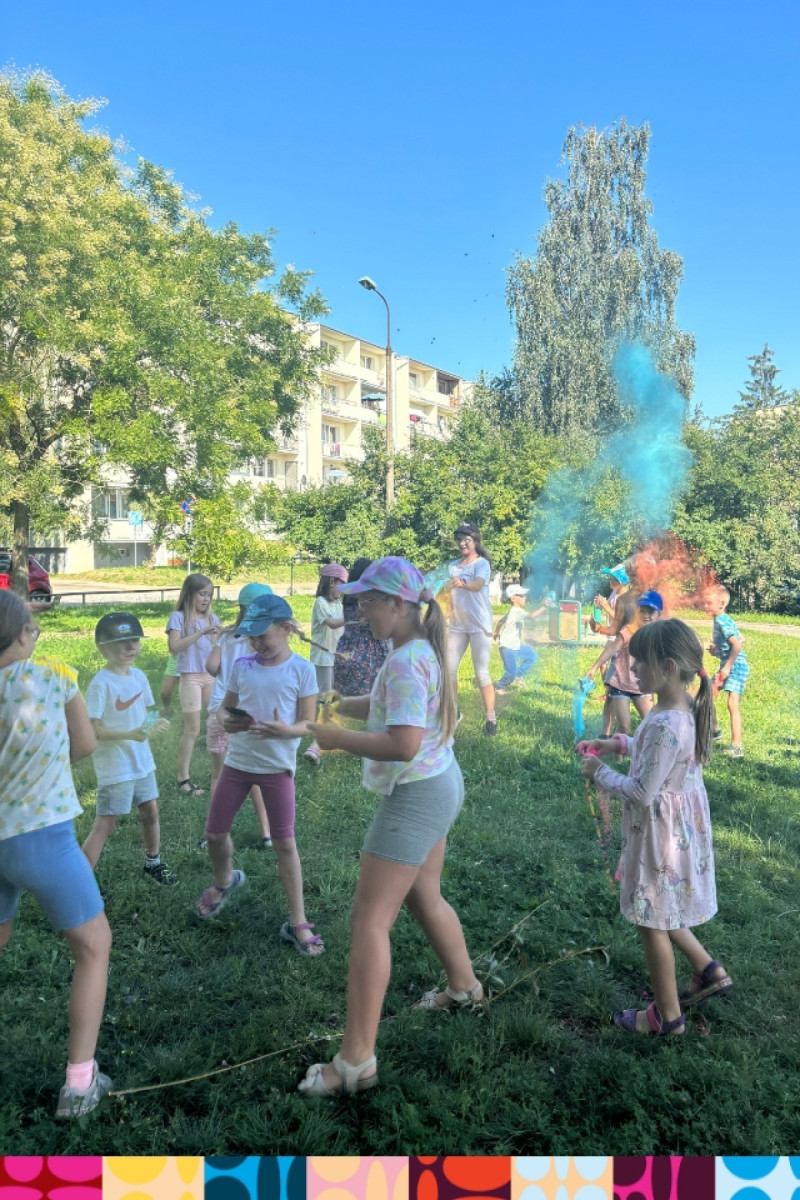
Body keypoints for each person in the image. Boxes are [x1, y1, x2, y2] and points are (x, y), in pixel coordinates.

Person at [298, 557, 481, 1097]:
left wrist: (334, 739)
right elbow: (390, 709)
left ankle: (354, 1064)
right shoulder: (419, 650)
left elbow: (402, 742)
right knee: (424, 895)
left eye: (368, 602)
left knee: (368, 922)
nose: (360, 612)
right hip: (440, 781)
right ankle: (465, 988)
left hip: (416, 794)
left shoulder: (405, 660)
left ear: (397, 604)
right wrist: (340, 704)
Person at [579, 618, 731, 1035]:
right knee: (663, 908)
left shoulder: (666, 722)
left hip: (658, 836)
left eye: (639, 662)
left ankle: (666, 1017)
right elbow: (658, 753)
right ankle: (707, 970)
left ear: (667, 667)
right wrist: (618, 743)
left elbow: (643, 791)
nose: (632, 669)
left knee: (651, 919)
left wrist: (599, 772)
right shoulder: (679, 710)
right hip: (674, 833)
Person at [0, 590, 113, 1117]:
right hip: (43, 836)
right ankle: (79, 1084)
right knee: (93, 945)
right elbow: (85, 745)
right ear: (25, 633)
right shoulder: (55, 677)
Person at [196, 593, 323, 957]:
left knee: (285, 843)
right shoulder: (242, 666)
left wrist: (286, 731)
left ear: (286, 628)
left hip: (277, 768)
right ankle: (225, 880)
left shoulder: (302, 670)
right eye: (251, 637)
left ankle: (298, 922)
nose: (256, 644)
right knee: (214, 834)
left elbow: (308, 723)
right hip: (238, 764)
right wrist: (228, 722)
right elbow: (224, 710)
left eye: (262, 636)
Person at [81, 613, 176, 884]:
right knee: (106, 824)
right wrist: (131, 734)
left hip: (141, 762)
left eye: (135, 641)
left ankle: (153, 863)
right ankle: (80, 882)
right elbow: (94, 730)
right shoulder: (101, 683)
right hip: (116, 767)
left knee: (150, 811)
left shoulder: (139, 676)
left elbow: (148, 712)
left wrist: (153, 725)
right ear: (103, 649)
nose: (131, 647)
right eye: (122, 642)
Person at [203, 582, 274, 851]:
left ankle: (214, 831)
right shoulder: (263, 640)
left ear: (241, 608)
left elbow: (211, 667)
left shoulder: (226, 636)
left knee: (218, 775)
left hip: (219, 710)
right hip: (248, 712)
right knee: (253, 775)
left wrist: (217, 646)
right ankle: (267, 833)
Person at [165, 573, 221, 794]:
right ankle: (183, 779)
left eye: (209, 595)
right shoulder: (178, 618)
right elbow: (174, 647)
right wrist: (201, 632)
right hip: (190, 677)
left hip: (211, 677)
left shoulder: (213, 618)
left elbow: (219, 648)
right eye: (202, 594)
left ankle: (223, 773)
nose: (206, 599)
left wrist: (220, 636)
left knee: (220, 723)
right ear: (189, 595)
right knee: (193, 728)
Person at [446, 521, 497, 735]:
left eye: (466, 539)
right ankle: (454, 712)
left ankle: (491, 719)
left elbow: (477, 585)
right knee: (448, 670)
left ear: (475, 540)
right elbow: (450, 593)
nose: (462, 543)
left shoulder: (481, 564)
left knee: (481, 673)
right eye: (459, 540)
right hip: (457, 625)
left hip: (479, 623)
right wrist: (447, 609)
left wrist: (463, 585)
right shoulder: (453, 566)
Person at [583, 592, 654, 741]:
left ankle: (646, 750)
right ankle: (613, 750)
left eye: (650, 611)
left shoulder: (656, 633)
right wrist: (594, 667)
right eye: (642, 611)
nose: (646, 615)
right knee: (624, 726)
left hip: (642, 685)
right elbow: (612, 649)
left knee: (651, 723)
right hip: (621, 683)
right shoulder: (628, 631)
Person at [304, 563, 348, 764]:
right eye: (341, 584)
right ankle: (318, 739)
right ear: (331, 582)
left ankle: (318, 730)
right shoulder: (320, 603)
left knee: (328, 697)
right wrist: (354, 615)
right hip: (323, 659)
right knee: (325, 698)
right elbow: (332, 624)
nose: (343, 589)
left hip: (335, 658)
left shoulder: (338, 603)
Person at [333, 558, 390, 698]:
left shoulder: (348, 598)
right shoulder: (368, 601)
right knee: (372, 696)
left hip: (347, 647)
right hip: (368, 651)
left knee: (347, 696)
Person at [704, 585, 749, 759]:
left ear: (722, 604)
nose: (705, 606)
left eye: (709, 603)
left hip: (736, 666)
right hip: (729, 664)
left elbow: (737, 644)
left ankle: (737, 746)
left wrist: (727, 667)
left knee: (732, 704)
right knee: (707, 693)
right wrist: (717, 650)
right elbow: (740, 638)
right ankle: (715, 730)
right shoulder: (720, 619)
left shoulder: (722, 620)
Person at [493, 584, 543, 694]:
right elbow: (532, 616)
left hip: (515, 645)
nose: (525, 597)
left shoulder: (513, 611)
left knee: (532, 656)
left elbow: (501, 621)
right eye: (521, 595)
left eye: (524, 595)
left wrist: (496, 632)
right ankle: (499, 686)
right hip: (508, 647)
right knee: (510, 672)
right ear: (513, 598)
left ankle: (518, 676)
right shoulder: (516, 611)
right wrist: (544, 606)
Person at [590, 563, 631, 636]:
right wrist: (601, 604)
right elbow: (611, 608)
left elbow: (623, 620)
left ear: (619, 582)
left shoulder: (628, 598)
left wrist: (607, 607)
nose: (609, 580)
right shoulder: (615, 591)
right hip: (612, 635)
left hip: (620, 637)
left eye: (611, 579)